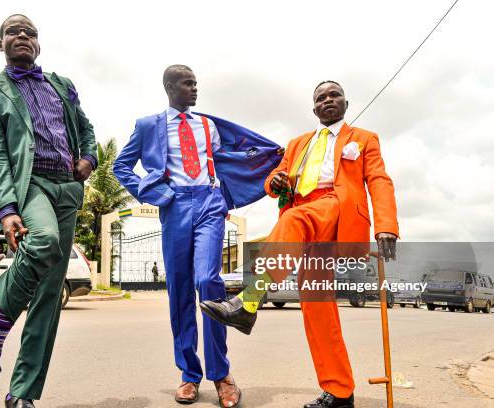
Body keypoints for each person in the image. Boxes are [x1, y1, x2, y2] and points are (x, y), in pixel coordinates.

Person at [200, 81, 399, 408]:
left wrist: (386, 226)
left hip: (337, 211)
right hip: (307, 226)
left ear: (346, 103)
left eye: (334, 95)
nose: (328, 100)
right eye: (321, 98)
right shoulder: (297, 145)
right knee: (317, 306)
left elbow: (379, 180)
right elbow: (274, 180)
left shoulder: (363, 139)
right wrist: (275, 181)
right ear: (314, 109)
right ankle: (340, 392)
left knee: (292, 219)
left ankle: (248, 302)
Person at [113, 65, 282, 407]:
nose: (194, 89)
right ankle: (189, 375)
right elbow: (121, 166)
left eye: (195, 84)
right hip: (174, 205)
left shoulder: (208, 125)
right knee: (179, 291)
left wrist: (265, 161)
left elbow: (225, 160)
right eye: (188, 84)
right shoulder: (148, 126)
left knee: (208, 281)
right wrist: (155, 195)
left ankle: (221, 374)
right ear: (170, 86)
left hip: (208, 201)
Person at [0, 14, 97, 408]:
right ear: (0, 43)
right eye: (12, 31)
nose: (22, 35)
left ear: (38, 44)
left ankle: (21, 394)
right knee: (45, 241)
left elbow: (85, 129)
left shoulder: (62, 84)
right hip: (30, 185)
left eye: (30, 32)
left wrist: (89, 157)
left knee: (49, 297)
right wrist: (6, 208)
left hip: (67, 191)